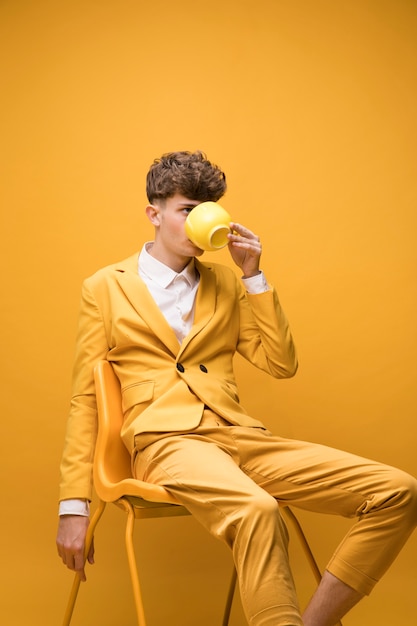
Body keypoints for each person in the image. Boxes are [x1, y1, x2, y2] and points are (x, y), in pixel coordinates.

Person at [57, 150, 417, 626]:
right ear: (155, 213)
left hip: (240, 438)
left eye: (208, 209)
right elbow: (85, 397)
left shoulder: (227, 282)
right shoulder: (105, 287)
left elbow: (280, 363)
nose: (200, 219)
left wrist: (253, 276)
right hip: (165, 443)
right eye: (188, 209)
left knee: (398, 491)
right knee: (257, 509)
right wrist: (73, 505)